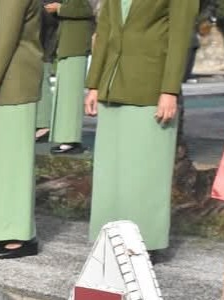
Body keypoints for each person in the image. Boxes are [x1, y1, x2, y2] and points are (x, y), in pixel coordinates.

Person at [85, 0, 196, 256]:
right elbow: (105, 30)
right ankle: (110, 238)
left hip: (151, 85)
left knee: (146, 170)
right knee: (110, 170)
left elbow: (179, 38)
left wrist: (169, 90)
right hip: (112, 84)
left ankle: (145, 241)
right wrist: (94, 84)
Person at [0, 0, 42, 259]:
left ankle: (19, 236)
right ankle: (2, 231)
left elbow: (6, 36)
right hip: (3, 82)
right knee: (0, 165)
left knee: (14, 165)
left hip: (15, 82)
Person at [46, 0, 94, 154]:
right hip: (68, 46)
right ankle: (66, 138)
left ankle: (71, 140)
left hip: (76, 47)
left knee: (70, 97)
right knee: (66, 96)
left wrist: (59, 8)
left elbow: (85, 10)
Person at [36, 0, 58, 141]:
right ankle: (42, 123)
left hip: (45, 28)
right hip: (45, 24)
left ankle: (44, 124)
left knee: (42, 77)